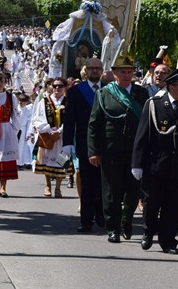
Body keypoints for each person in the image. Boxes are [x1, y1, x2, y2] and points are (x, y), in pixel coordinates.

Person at [131, 67, 178, 254]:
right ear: (172, 86)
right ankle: (148, 232)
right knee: (151, 203)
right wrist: (137, 164)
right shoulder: (154, 104)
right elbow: (142, 136)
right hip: (155, 165)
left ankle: (168, 241)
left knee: (173, 206)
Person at [87, 55, 149, 243]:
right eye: (122, 71)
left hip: (134, 151)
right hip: (111, 150)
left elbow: (146, 123)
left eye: (129, 71)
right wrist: (93, 151)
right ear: (114, 74)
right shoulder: (104, 93)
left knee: (132, 190)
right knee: (111, 192)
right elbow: (94, 124)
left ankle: (126, 221)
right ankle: (112, 227)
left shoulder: (141, 94)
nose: (126, 75)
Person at [62, 59, 105, 233]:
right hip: (84, 143)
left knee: (104, 184)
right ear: (85, 70)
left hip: (105, 144)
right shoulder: (74, 91)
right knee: (87, 184)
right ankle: (86, 220)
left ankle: (102, 216)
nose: (94, 71)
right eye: (91, 68)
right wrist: (67, 143)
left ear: (102, 70)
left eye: (98, 68)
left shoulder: (109, 89)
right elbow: (69, 119)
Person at [32, 78, 74, 198]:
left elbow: (72, 119)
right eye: (55, 86)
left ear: (65, 87)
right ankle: (48, 185)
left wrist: (60, 131)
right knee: (47, 161)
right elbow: (37, 118)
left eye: (60, 86)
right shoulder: (44, 101)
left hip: (62, 137)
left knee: (62, 161)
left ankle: (58, 188)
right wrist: (50, 130)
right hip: (49, 135)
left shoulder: (68, 102)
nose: (57, 88)